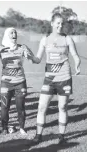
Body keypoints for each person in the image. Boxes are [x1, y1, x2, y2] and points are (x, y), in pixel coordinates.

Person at [27, 13, 81, 144]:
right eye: (58, 23)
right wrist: (31, 58)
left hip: (64, 77)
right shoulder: (45, 39)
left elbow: (75, 55)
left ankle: (61, 135)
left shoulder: (67, 39)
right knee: (41, 107)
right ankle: (38, 135)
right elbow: (38, 58)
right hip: (49, 79)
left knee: (62, 107)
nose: (60, 26)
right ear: (52, 23)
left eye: (62, 23)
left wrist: (77, 65)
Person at [0, 27, 29, 134]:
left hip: (20, 82)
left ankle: (22, 128)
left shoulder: (22, 48)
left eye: (15, 32)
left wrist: (28, 55)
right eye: (11, 33)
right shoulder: (2, 48)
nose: (14, 34)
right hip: (6, 83)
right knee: (4, 107)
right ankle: (4, 128)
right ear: (6, 35)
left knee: (21, 107)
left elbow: (33, 59)